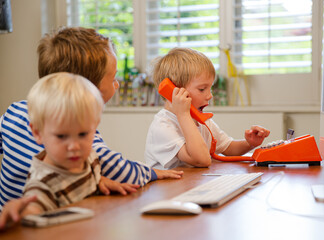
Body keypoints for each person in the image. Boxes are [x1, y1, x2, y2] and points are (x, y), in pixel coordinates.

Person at [0, 27, 183, 211]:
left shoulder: (14, 112)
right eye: (113, 79)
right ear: (86, 89)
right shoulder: (81, 139)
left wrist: (97, 180)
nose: (117, 84)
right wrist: (152, 172)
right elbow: (123, 171)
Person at [0, 72, 140, 229]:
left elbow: (85, 180)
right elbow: (34, 211)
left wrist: (100, 181)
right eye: (61, 136)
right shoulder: (44, 183)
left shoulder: (88, 157)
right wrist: (21, 214)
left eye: (83, 134)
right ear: (38, 133)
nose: (74, 146)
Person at [145, 47, 270, 170]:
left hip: (192, 185)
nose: (210, 96)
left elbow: (229, 148)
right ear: (173, 92)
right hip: (169, 190)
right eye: (202, 89)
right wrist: (183, 114)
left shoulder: (200, 120)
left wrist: (249, 143)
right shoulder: (163, 126)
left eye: (210, 88)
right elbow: (201, 160)